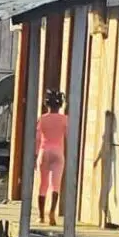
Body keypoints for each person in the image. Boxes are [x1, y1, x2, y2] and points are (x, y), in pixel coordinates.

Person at [34, 91, 69, 225]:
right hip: (58, 152)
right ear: (60, 104)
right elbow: (68, 134)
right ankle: (52, 213)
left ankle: (41, 216)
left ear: (46, 103)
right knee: (56, 184)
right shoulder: (64, 119)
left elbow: (37, 138)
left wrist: (36, 154)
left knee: (43, 184)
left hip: (44, 151)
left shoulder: (41, 118)